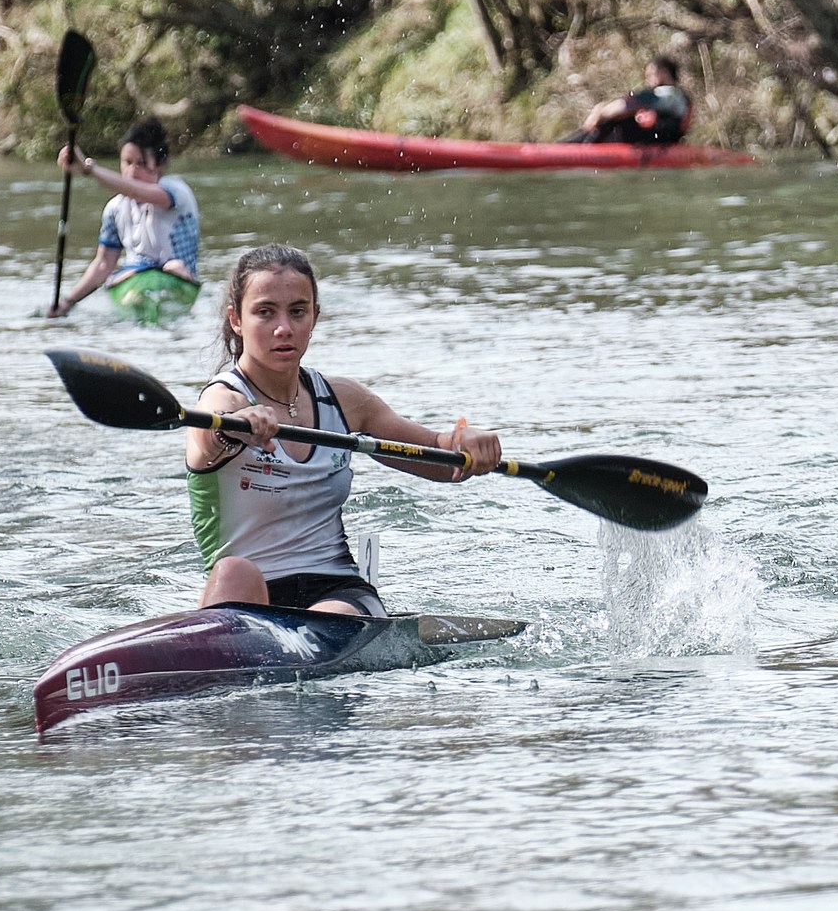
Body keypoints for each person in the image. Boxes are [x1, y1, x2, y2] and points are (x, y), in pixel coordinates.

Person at [184, 245, 502, 616]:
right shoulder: (220, 401)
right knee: (234, 570)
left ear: (315, 317)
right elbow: (213, 427)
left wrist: (465, 442)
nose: (283, 328)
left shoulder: (344, 400)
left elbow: (440, 456)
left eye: (297, 312)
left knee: (339, 615)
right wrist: (240, 424)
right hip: (245, 593)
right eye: (265, 312)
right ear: (236, 319)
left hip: (337, 591)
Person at [49, 115, 200, 317]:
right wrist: (67, 302)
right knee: (120, 276)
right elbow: (103, 264)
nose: (132, 170)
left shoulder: (176, 192)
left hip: (178, 276)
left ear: (160, 165)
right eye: (127, 162)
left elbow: (139, 192)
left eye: (140, 163)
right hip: (135, 276)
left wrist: (88, 168)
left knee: (175, 267)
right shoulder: (115, 208)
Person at [563, 56, 691, 145]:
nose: (648, 79)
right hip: (658, 139)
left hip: (659, 141)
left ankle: (570, 147)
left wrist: (600, 112)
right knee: (615, 120)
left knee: (614, 121)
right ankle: (570, 145)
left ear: (663, 73)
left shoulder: (670, 93)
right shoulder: (675, 95)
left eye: (650, 75)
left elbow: (629, 104)